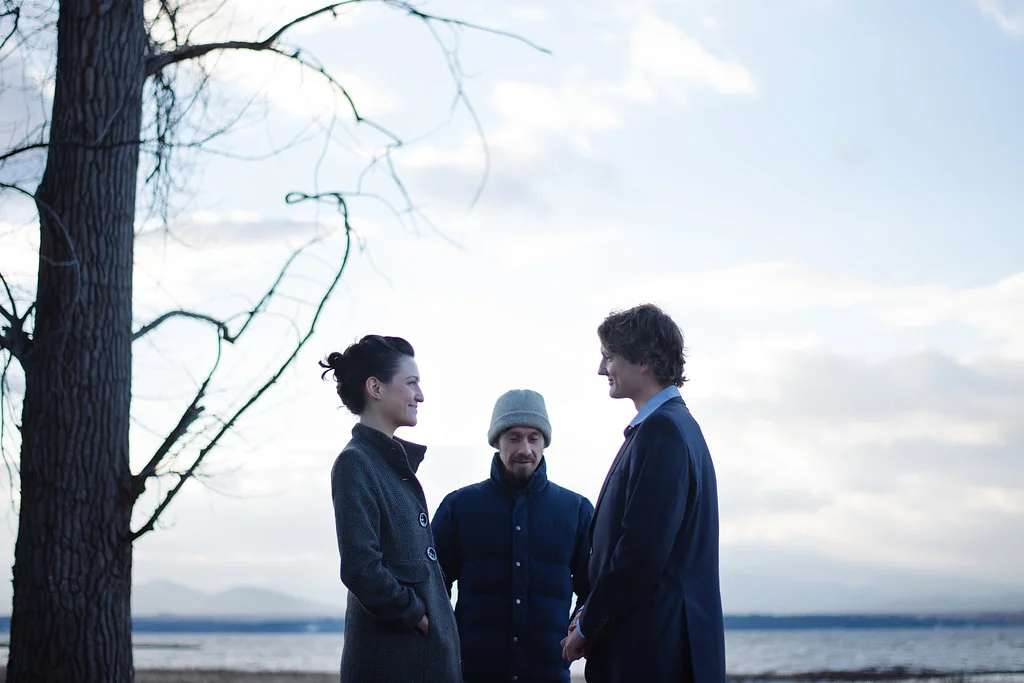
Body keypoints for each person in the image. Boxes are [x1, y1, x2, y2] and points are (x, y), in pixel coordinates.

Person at [561, 304, 726, 683]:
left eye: (609, 357)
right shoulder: (675, 427)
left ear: (643, 361)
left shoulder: (662, 432)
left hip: (654, 654)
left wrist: (588, 626)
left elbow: (641, 550)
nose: (602, 369)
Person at [321, 335, 461, 683]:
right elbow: (360, 568)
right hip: (392, 662)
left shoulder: (389, 464)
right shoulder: (356, 463)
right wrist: (418, 615)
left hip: (418, 659)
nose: (421, 395)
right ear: (376, 388)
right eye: (411, 383)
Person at [432, 389, 594, 683]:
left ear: (545, 441)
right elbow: (432, 585)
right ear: (496, 441)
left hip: (548, 674)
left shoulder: (577, 510)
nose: (525, 449)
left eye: (534, 437)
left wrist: (576, 632)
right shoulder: (458, 507)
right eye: (514, 437)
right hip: (472, 673)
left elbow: (593, 587)